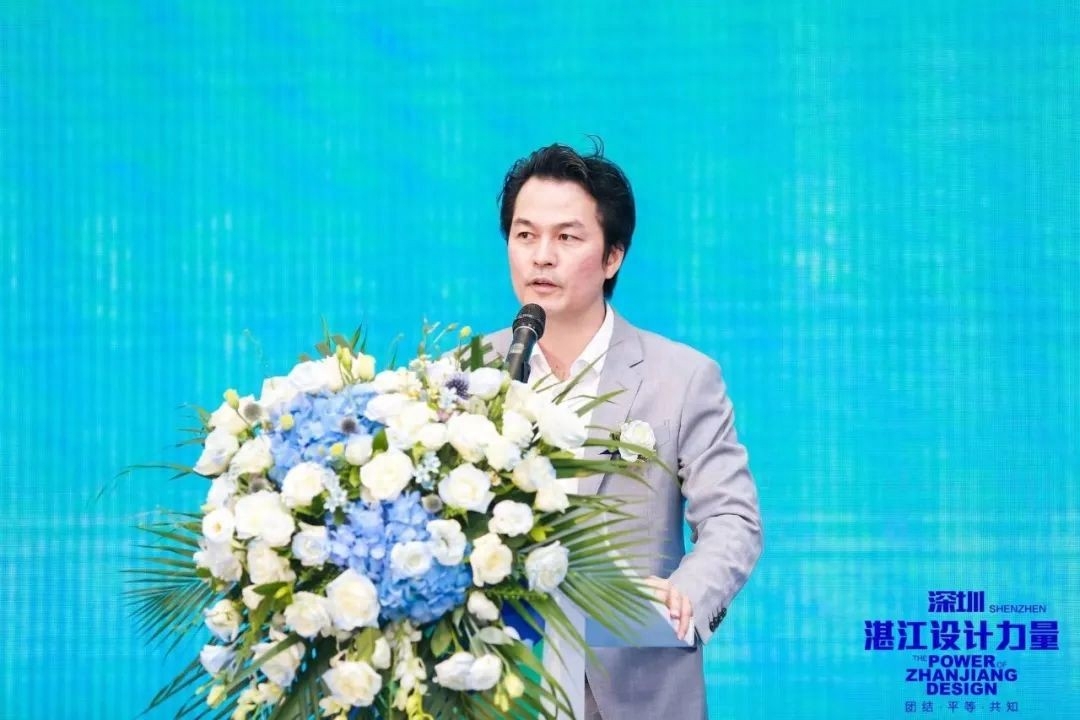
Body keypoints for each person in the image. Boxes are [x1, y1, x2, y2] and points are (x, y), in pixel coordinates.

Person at [483, 140, 764, 720]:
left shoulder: (681, 378)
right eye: (525, 235)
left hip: (634, 685)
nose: (541, 257)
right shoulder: (466, 377)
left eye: (567, 238)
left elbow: (732, 519)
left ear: (612, 256)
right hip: (494, 686)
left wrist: (689, 593)